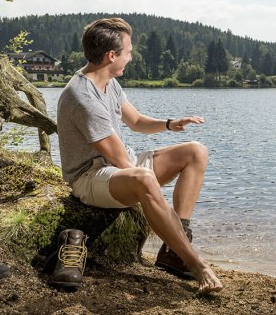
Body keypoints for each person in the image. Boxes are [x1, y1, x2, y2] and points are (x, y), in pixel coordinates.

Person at [56, 17, 223, 294]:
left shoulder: (108, 81)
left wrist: (170, 124)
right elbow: (120, 161)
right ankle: (196, 264)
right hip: (90, 176)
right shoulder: (82, 96)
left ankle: (173, 249)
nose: (131, 57)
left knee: (196, 151)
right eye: (129, 51)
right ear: (112, 55)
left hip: (120, 166)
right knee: (144, 178)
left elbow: (135, 121)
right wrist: (157, 202)